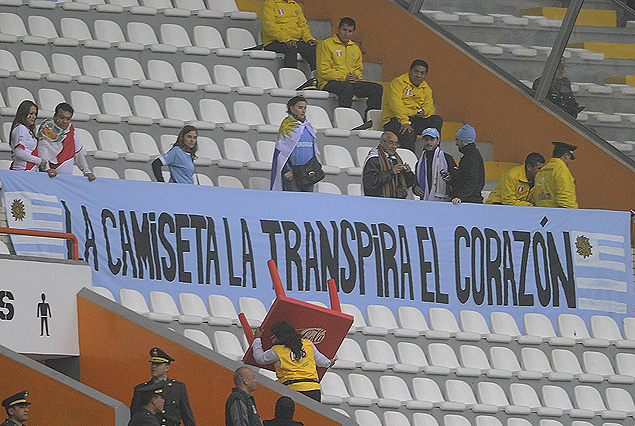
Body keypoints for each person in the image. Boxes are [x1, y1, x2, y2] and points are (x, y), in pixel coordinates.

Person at [316, 17, 383, 124]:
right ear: (338, 29)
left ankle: (370, 121)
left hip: (349, 82)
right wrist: (344, 77)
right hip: (328, 82)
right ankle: (344, 121)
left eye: (350, 31)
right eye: (344, 30)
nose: (346, 34)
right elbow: (323, 71)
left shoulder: (355, 48)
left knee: (377, 88)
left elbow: (358, 68)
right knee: (346, 88)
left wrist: (356, 77)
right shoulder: (327, 44)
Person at [252, 320, 332, 402]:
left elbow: (259, 358)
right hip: (314, 389)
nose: (272, 337)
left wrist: (257, 339)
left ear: (280, 336)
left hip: (293, 389)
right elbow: (322, 361)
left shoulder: (277, 350)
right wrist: (330, 363)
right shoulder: (307, 343)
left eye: (274, 335)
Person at [381, 59, 443, 152]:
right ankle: (409, 159)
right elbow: (396, 106)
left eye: (422, 73)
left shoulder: (426, 88)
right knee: (408, 132)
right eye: (416, 71)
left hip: (414, 119)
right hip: (394, 119)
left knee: (437, 120)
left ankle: (430, 154)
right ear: (410, 71)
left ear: (425, 75)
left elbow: (430, 108)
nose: (418, 75)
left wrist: (424, 112)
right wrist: (404, 121)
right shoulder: (398, 83)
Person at [130, 347, 196, 426]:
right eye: (153, 363)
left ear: (167, 368)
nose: (154, 367)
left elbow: (187, 416)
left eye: (158, 364)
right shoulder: (142, 389)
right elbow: (136, 415)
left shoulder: (178, 387)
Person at [270, 96, 322, 192]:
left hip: (308, 172)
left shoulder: (307, 127)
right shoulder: (287, 127)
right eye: (300, 107)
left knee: (308, 199)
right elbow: (281, 152)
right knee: (293, 199)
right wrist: (286, 170)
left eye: (305, 108)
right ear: (291, 108)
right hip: (293, 173)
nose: (303, 111)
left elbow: (313, 150)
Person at [37, 102, 95, 181]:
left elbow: (78, 152)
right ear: (55, 116)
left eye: (68, 119)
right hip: (48, 177)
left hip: (66, 180)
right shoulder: (46, 129)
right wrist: (47, 169)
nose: (64, 121)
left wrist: (86, 171)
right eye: (62, 117)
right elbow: (42, 151)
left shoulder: (70, 130)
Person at [260, 0, 317, 78]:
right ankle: (291, 78)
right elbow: (269, 26)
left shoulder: (295, 5)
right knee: (291, 48)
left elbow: (303, 26)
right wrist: (286, 39)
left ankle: (317, 78)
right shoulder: (270, 4)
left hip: (294, 41)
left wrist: (309, 39)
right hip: (273, 42)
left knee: (311, 48)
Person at [362, 131, 422, 198]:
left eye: (396, 143)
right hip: (379, 200)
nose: (394, 146)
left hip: (396, 200)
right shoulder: (373, 160)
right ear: (382, 143)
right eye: (391, 143)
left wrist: (408, 173)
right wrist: (391, 172)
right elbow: (370, 183)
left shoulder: (396, 159)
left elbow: (407, 184)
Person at [9, 100, 54, 176]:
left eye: (35, 114)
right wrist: (39, 161)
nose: (34, 117)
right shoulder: (21, 129)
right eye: (31, 113)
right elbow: (19, 152)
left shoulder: (27, 130)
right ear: (24, 113)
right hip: (23, 170)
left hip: (29, 171)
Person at [532, 141, 578, 208]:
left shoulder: (542, 170)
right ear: (566, 156)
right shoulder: (561, 169)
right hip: (558, 212)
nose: (569, 161)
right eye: (570, 158)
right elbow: (565, 197)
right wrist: (570, 212)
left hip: (542, 211)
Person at [415, 127, 456, 201]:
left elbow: (457, 180)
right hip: (425, 201)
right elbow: (416, 182)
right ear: (423, 141)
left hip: (444, 201)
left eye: (432, 139)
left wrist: (452, 196)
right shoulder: (419, 163)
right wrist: (415, 188)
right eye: (426, 139)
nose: (429, 142)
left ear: (438, 141)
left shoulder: (447, 159)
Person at [449, 124, 485, 204]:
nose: (456, 143)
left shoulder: (471, 158)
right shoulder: (471, 155)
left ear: (464, 141)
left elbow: (472, 181)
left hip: (470, 201)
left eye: (457, 140)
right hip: (470, 200)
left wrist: (460, 197)